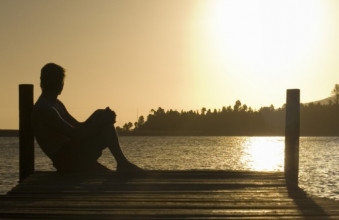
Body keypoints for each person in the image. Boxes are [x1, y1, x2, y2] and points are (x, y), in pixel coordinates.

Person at [32, 63, 142, 173]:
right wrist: (100, 122)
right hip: (68, 161)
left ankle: (122, 163)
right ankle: (122, 163)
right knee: (105, 126)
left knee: (100, 114)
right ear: (59, 83)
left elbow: (78, 126)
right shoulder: (45, 109)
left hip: (73, 153)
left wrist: (99, 115)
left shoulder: (55, 103)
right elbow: (76, 134)